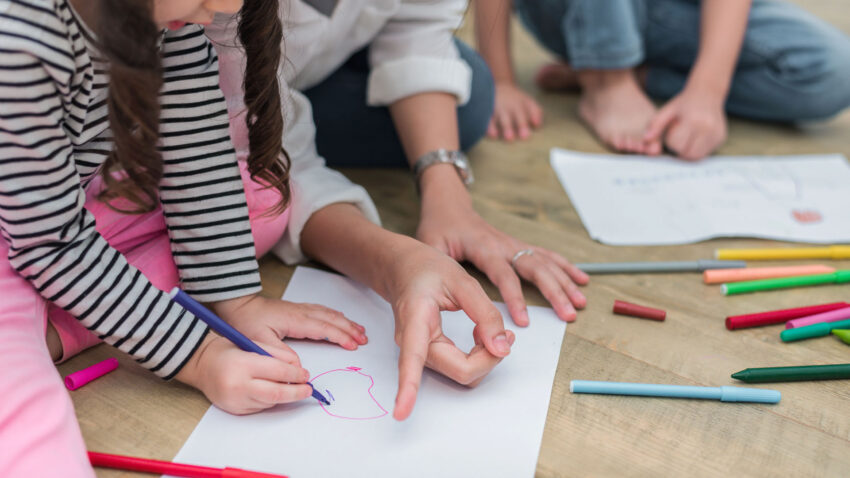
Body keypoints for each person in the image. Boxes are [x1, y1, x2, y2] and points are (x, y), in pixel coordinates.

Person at [0, 0, 510, 476]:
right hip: (30, 234)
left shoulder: (175, 15)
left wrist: (236, 298)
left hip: (47, 210)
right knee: (28, 415)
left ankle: (75, 309)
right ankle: (55, 321)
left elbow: (196, 149)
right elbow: (51, 242)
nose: (226, 8)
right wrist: (198, 355)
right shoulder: (21, 40)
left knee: (264, 198)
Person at [227, 0, 591, 333]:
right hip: (232, 75)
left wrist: (447, 196)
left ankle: (294, 102)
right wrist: (392, 262)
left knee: (473, 93)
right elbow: (265, 162)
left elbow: (419, 26)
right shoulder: (216, 16)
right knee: (250, 168)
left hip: (278, 63)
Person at [476, 0, 850, 160]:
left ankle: (635, 71)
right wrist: (501, 79)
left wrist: (707, 91)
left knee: (835, 70)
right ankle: (607, 78)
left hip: (670, 10)